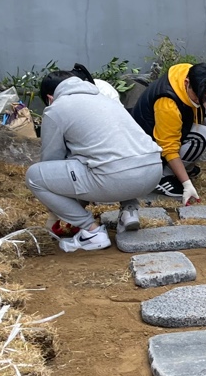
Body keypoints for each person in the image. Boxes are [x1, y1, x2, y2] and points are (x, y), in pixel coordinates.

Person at [25, 68, 162, 251]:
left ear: (50, 98)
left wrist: (60, 210)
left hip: (117, 178)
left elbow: (51, 161)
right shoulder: (104, 99)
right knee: (113, 154)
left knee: (35, 176)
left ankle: (92, 232)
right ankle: (129, 211)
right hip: (153, 172)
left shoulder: (56, 108)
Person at [129, 62, 206, 205]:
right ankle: (162, 176)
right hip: (150, 148)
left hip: (174, 127)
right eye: (198, 97)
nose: (201, 101)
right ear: (187, 83)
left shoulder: (194, 76)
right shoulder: (168, 103)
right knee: (203, 136)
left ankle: (184, 168)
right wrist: (186, 184)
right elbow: (168, 147)